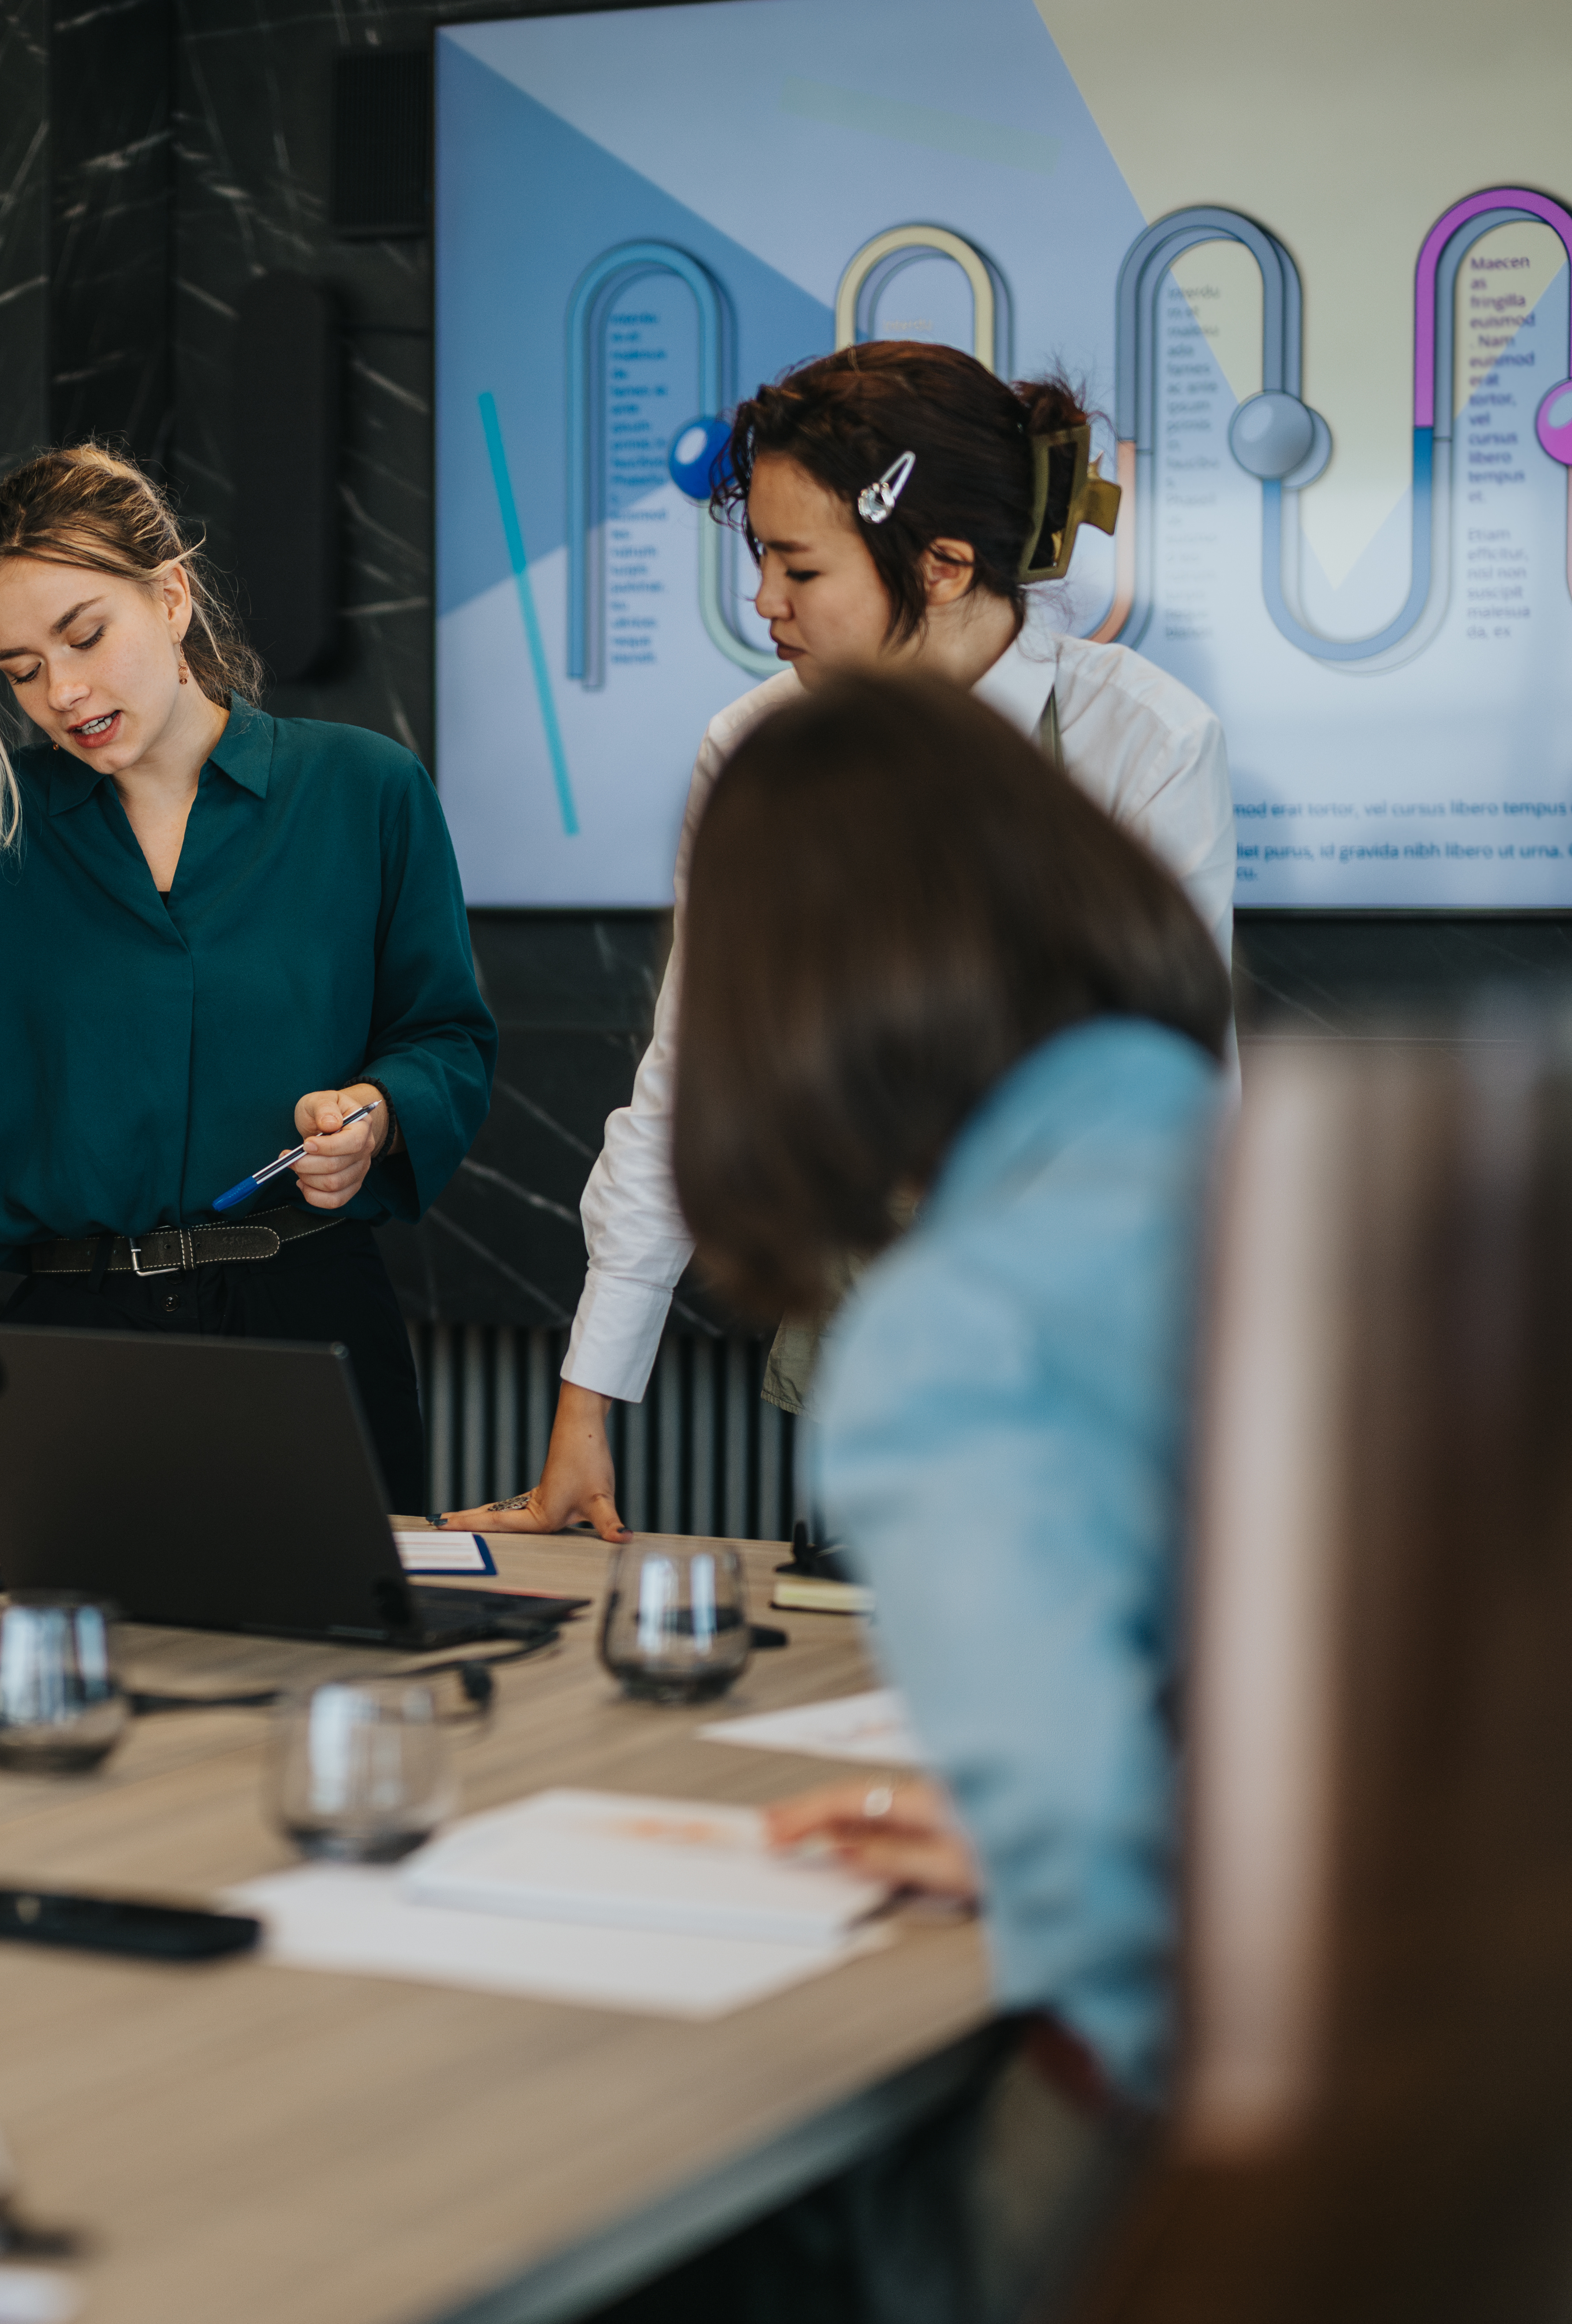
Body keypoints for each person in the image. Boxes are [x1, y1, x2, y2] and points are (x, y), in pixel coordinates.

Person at [616, 669, 1229, 2321]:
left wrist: (1060, 1846)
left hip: (1179, 2184)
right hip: (1506, 2102)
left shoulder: (950, 1336)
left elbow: (1106, 1938)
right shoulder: (1270, 1167)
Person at [453, 342, 1233, 1539]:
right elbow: (688, 1080)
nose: (763, 599)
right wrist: (583, 1410)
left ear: (943, 562)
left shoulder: (1145, 741)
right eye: (758, 555)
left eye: (796, 564)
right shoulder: (756, 747)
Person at [0, 445, 495, 1506]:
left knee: (328, 1660)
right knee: (66, 1658)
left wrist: (375, 1112)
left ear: (171, 595)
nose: (63, 691)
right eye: (22, 669)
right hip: (66, 1347)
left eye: (84, 635)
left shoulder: (365, 789)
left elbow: (445, 1037)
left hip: (310, 1325)